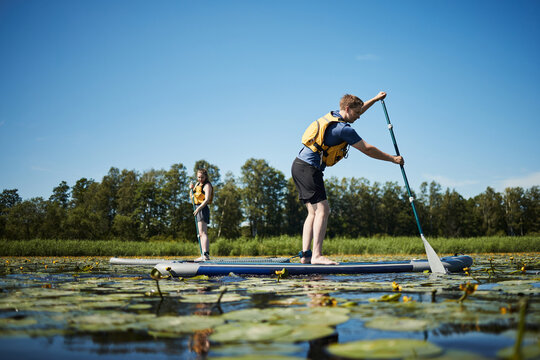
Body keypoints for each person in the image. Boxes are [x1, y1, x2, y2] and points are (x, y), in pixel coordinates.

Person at [291, 92, 404, 265]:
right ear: (347, 108)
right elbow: (367, 149)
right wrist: (392, 159)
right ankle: (316, 256)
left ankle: (306, 256)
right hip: (309, 169)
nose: (359, 117)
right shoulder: (343, 129)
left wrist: (374, 99)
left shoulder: (336, 117)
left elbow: (358, 109)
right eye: (357, 113)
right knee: (323, 210)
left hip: (299, 166)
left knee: (313, 212)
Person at [190, 169, 213, 261]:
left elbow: (206, 199)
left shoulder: (207, 185)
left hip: (202, 209)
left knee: (203, 233)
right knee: (200, 233)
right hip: (197, 208)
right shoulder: (197, 184)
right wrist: (191, 188)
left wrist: (199, 209)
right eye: (198, 177)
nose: (200, 179)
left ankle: (206, 255)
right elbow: (193, 196)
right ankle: (203, 254)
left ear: (206, 177)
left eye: (202, 177)